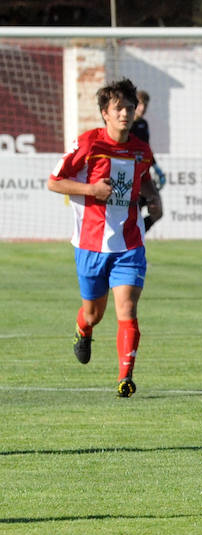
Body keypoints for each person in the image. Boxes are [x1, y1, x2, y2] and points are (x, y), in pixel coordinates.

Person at [47, 78, 162, 397]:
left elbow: (145, 179)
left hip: (129, 244)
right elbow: (54, 182)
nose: (125, 113)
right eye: (118, 108)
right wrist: (90, 190)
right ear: (105, 113)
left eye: (129, 107)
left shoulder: (141, 149)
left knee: (126, 308)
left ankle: (125, 377)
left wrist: (154, 198)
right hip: (91, 245)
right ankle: (83, 330)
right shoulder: (87, 144)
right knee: (94, 313)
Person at [131, 89, 166, 232]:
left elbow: (147, 150)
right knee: (133, 213)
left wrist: (156, 166)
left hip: (145, 174)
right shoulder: (125, 126)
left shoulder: (143, 124)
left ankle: (138, 234)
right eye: (140, 105)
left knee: (157, 210)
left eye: (145, 105)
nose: (143, 108)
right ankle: (132, 238)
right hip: (132, 176)